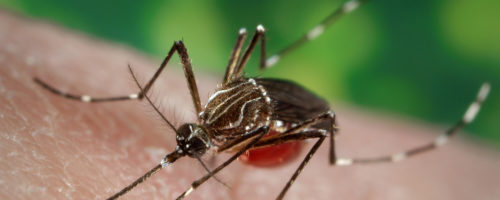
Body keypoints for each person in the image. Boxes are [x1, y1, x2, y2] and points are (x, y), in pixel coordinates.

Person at [1, 10, 499, 200]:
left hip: (278, 115)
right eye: (189, 142)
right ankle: (131, 95)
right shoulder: (208, 116)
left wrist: (196, 182)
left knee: (318, 123)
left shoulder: (225, 128)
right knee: (238, 36)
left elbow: (301, 125)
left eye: (189, 145)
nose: (186, 144)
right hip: (252, 98)